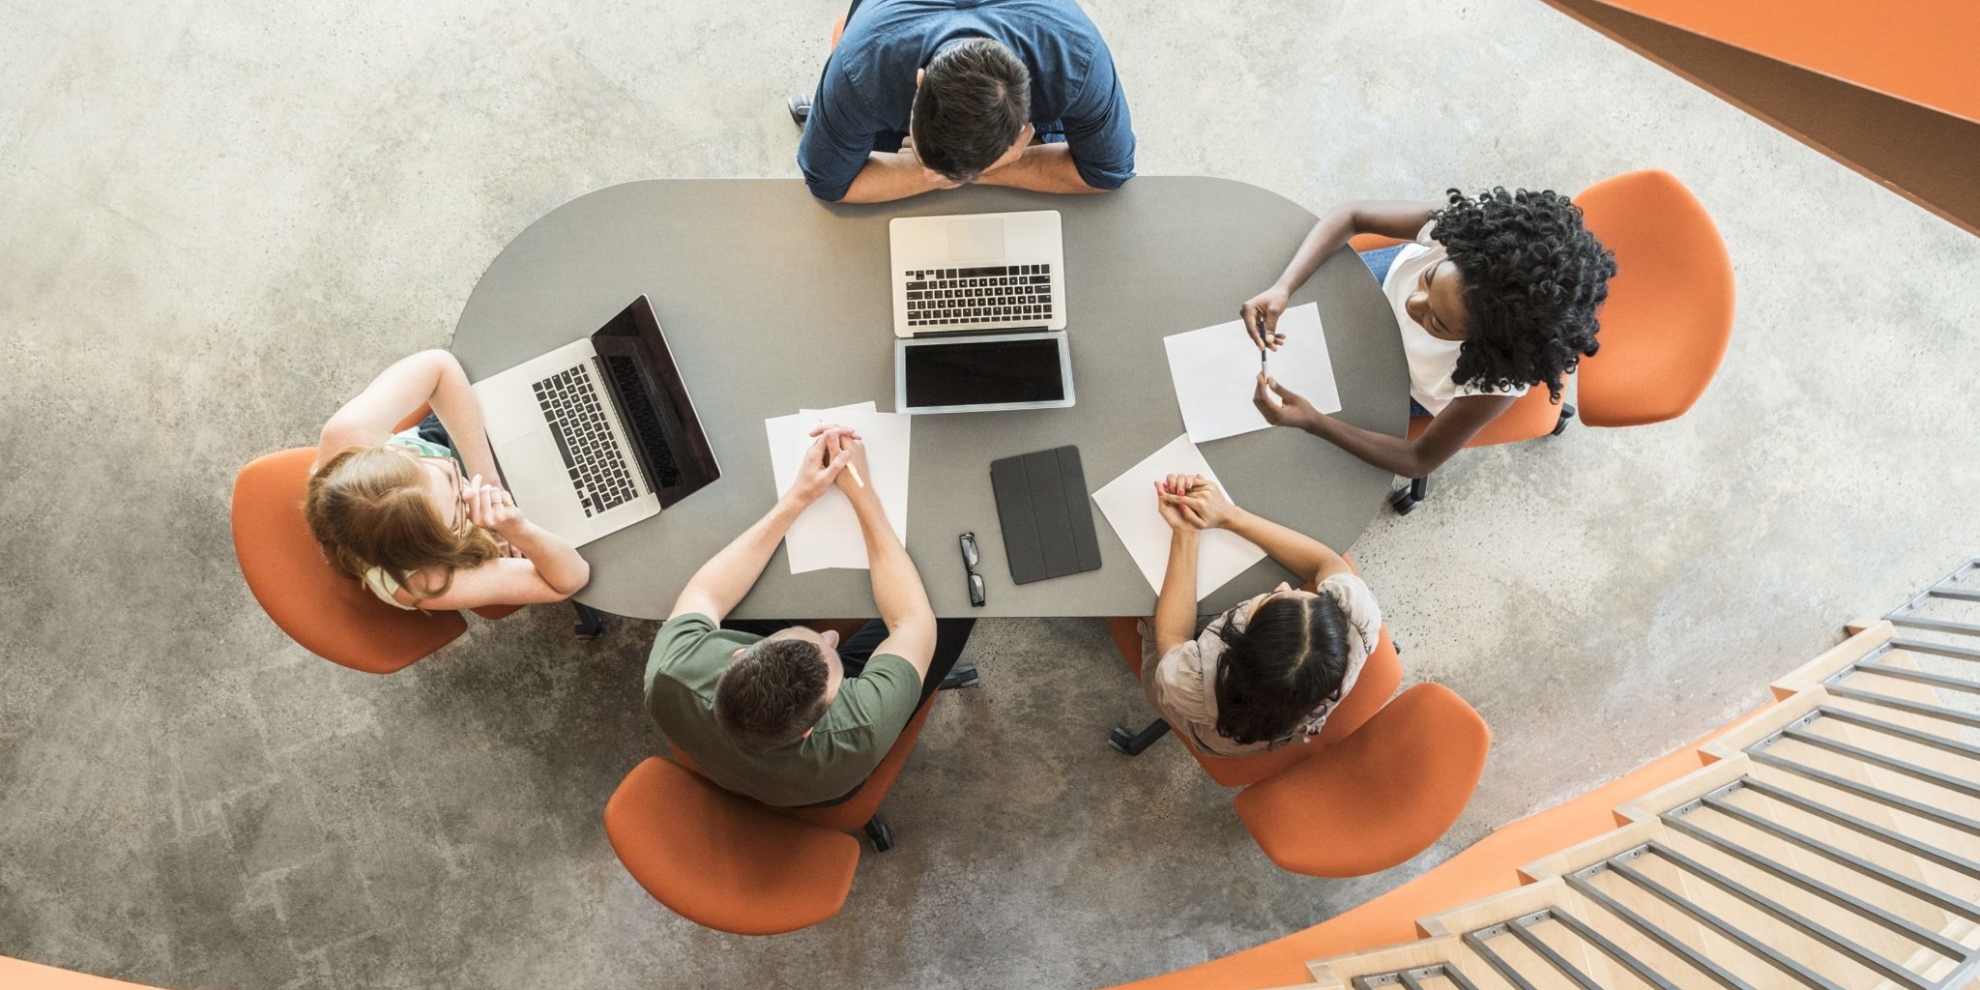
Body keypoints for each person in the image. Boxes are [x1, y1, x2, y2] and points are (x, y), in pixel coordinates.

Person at [645, 425, 974, 807]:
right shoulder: (860, 729)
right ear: (810, 731)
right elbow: (911, 621)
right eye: (832, 653)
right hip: (815, 788)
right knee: (953, 605)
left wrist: (800, 495)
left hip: (718, 752)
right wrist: (862, 494)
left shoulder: (670, 670)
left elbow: (705, 592)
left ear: (739, 656)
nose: (832, 634)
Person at [1242, 188, 1617, 479]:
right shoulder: (1467, 236)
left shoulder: (1494, 383)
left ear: (1481, 346)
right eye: (1429, 278)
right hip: (1375, 284)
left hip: (1403, 381)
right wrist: (1284, 287)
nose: (1412, 304)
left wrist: (1314, 422)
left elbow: (1419, 459)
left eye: (1437, 323)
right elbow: (1351, 215)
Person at [304, 350, 590, 611]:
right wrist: (516, 529)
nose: (469, 491)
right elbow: (570, 580)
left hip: (442, 446)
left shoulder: (345, 436)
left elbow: (439, 365)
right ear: (434, 548)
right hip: (491, 532)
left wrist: (487, 480)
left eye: (448, 475)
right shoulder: (423, 582)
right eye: (456, 512)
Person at [792, 0, 1136, 203]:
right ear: (920, 80)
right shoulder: (860, 69)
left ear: (1021, 125)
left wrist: (975, 171)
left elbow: (1108, 173)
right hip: (881, 37)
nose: (931, 174)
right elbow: (827, 182)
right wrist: (985, 169)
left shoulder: (1078, 61)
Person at [1135, 473, 1380, 758]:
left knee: (1149, 608)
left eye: (1271, 598)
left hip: (1218, 718)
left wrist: (1186, 533)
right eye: (1302, 596)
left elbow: (1174, 638)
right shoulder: (1354, 614)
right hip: (1291, 705)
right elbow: (1326, 562)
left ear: (1237, 644)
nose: (1283, 586)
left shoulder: (1193, 685)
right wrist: (1229, 515)